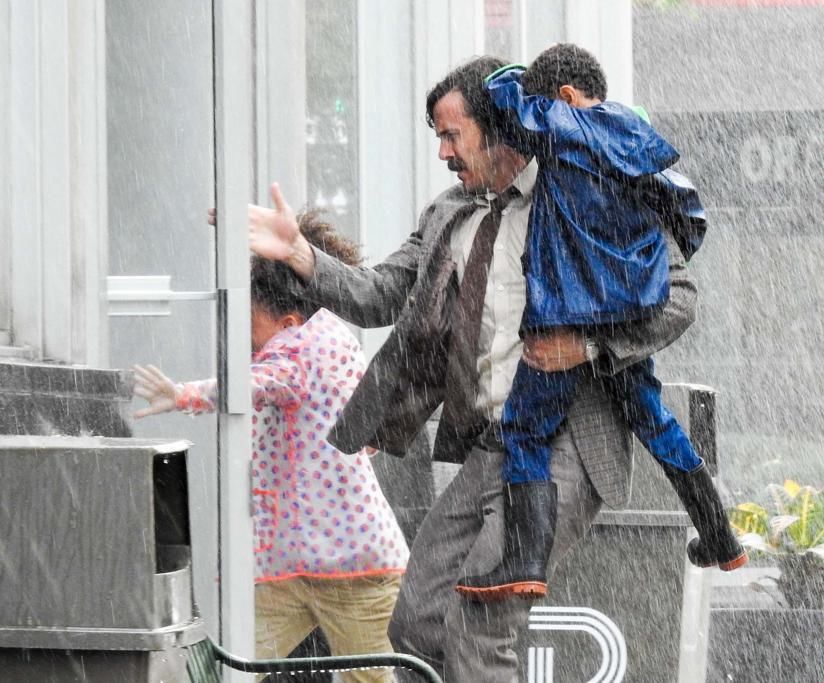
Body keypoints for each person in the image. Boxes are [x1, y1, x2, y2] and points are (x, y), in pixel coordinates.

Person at [243, 56, 699, 683]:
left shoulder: (584, 189)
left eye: (452, 135)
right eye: (437, 137)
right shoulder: (449, 214)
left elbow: (680, 297)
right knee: (416, 624)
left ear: (499, 126)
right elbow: (379, 296)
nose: (442, 152)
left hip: (567, 442)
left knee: (481, 621)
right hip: (491, 447)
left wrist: (589, 345)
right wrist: (300, 255)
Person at [455, 44, 747, 602]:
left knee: (525, 430)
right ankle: (720, 535)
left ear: (565, 97)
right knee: (656, 423)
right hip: (622, 315)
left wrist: (521, 79)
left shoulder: (565, 129)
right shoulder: (637, 144)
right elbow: (689, 219)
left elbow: (499, 89)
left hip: (562, 313)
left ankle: (525, 561)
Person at [132, 213, 409, 683]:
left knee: (346, 676)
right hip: (305, 562)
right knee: (241, 666)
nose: (247, 343)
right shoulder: (331, 337)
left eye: (252, 329)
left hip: (349, 568)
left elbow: (251, 386)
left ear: (288, 323)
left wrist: (181, 395)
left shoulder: (301, 352)